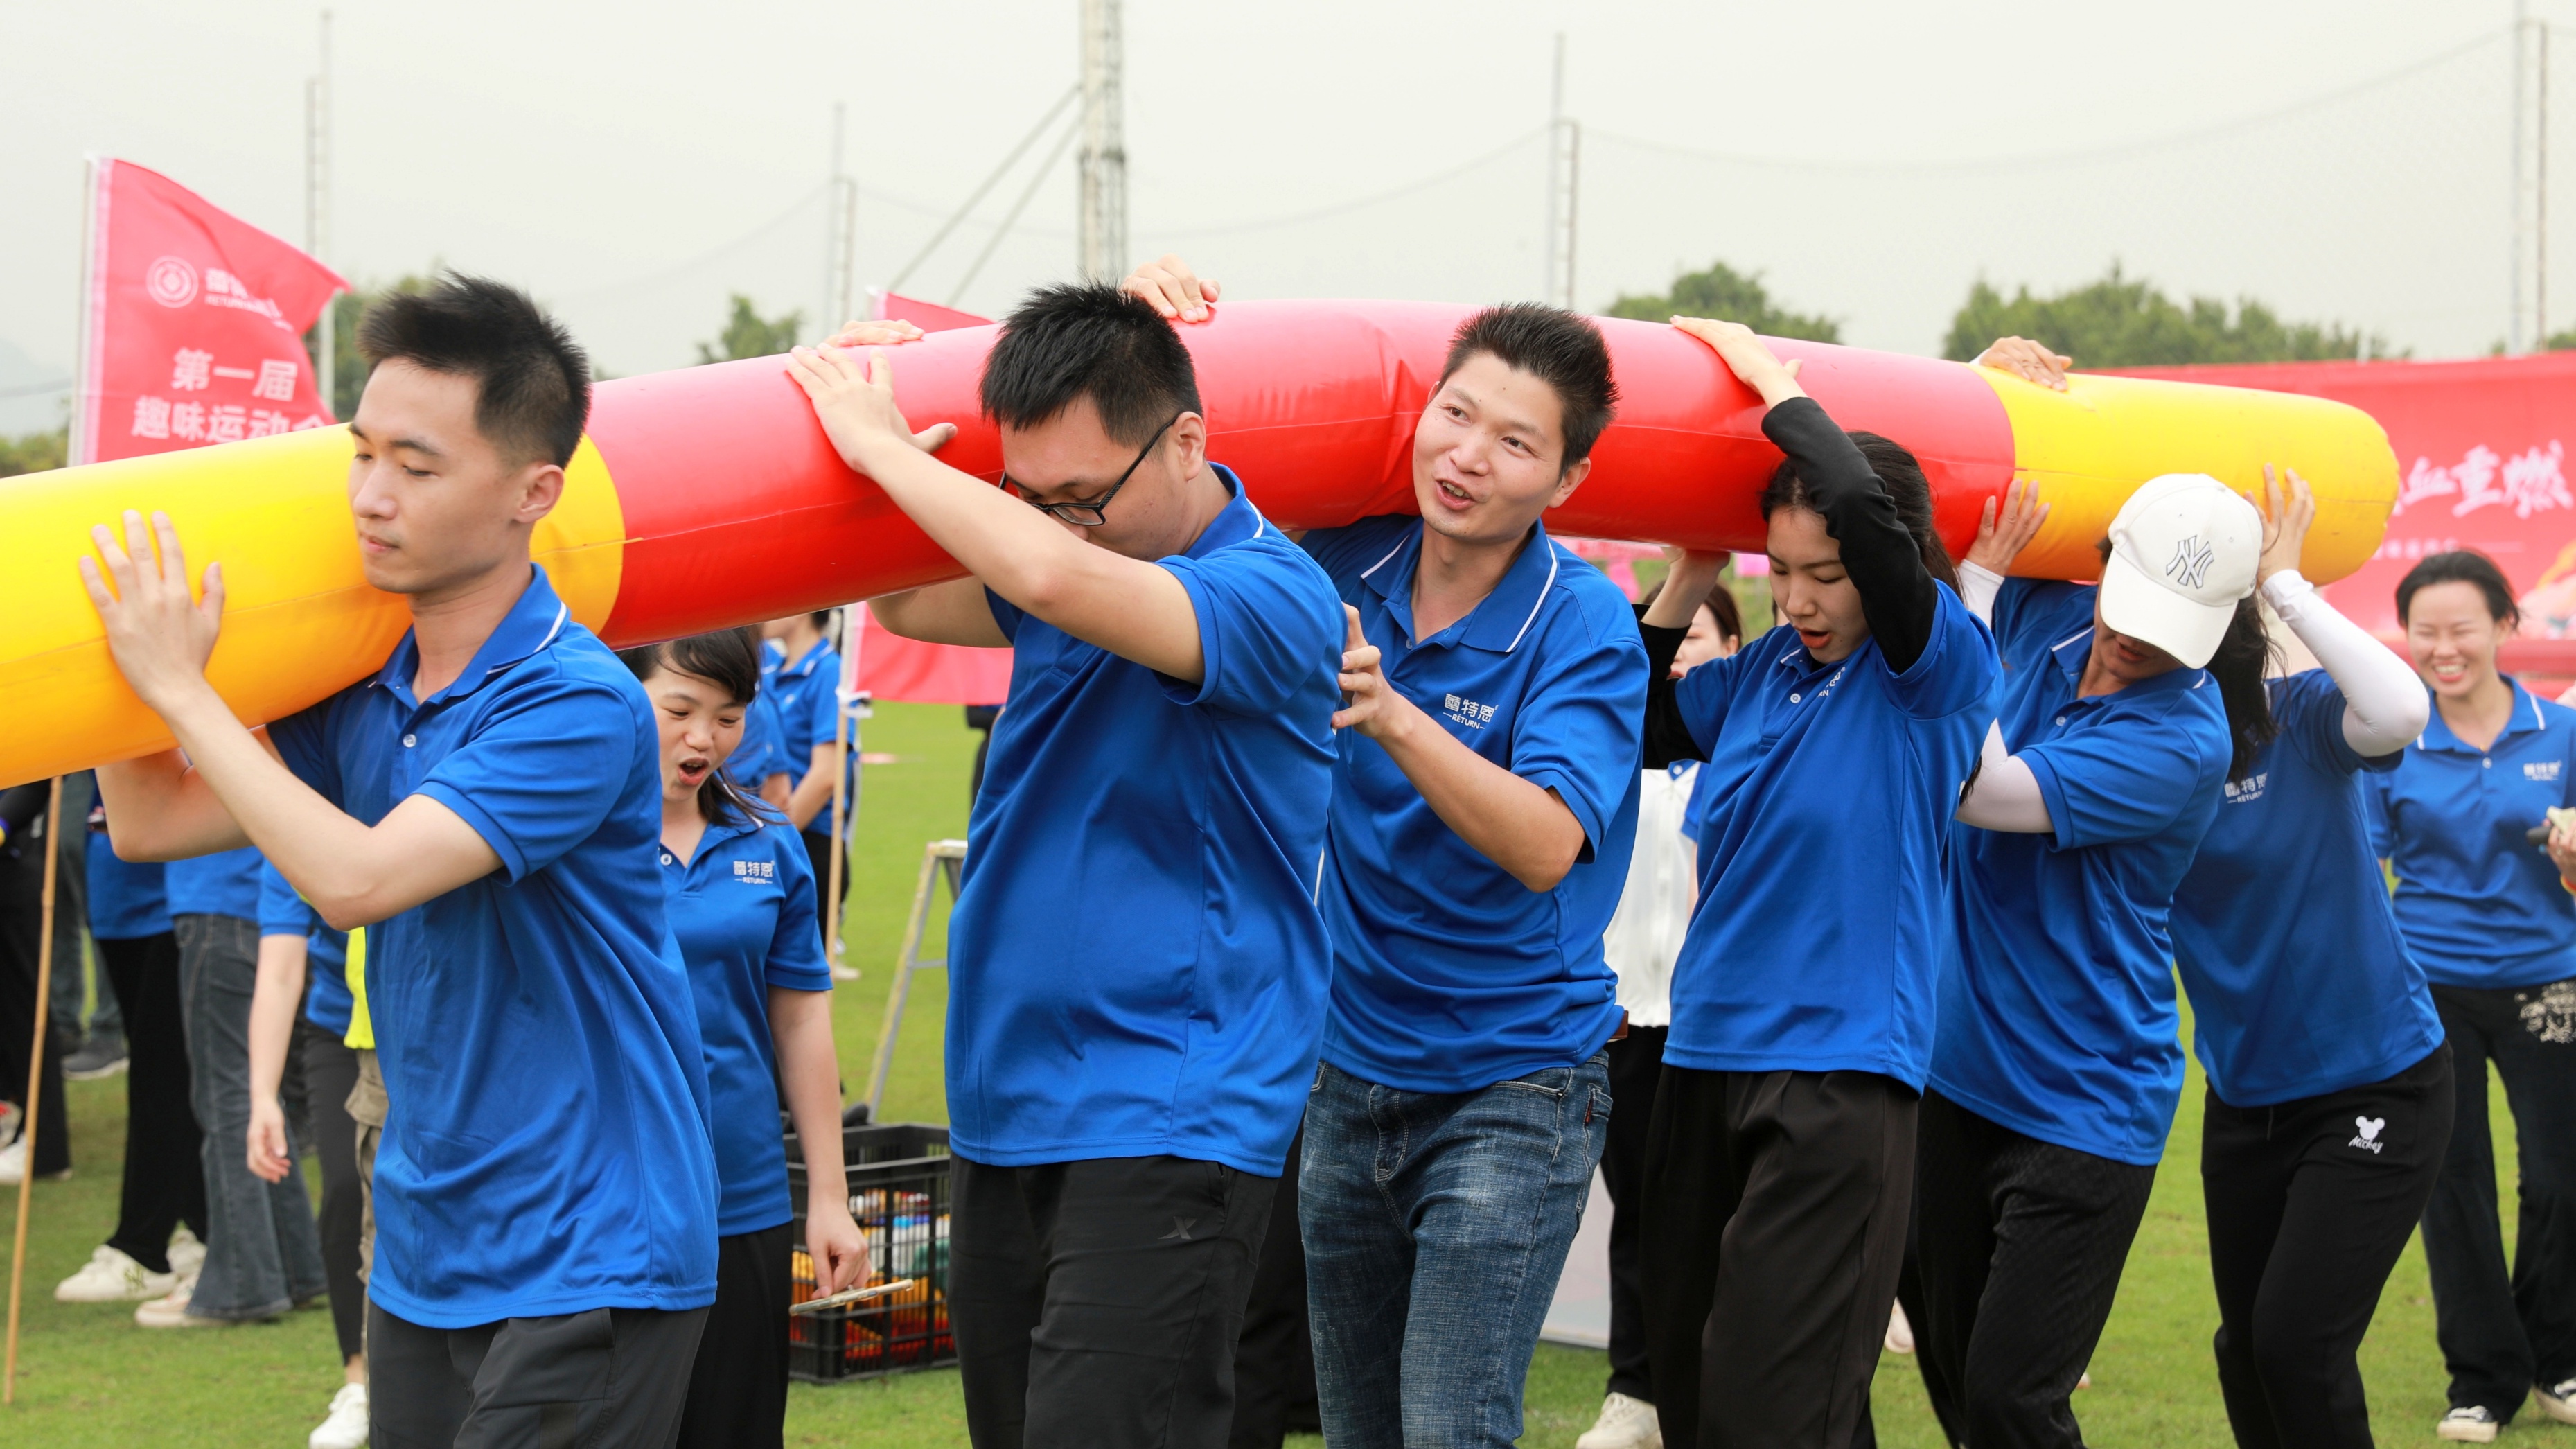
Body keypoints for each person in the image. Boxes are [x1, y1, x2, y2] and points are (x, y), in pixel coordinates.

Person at [81, 273, 718, 1443]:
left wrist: (178, 684)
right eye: (361, 454)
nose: (371, 497)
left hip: (589, 1245)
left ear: (535, 492)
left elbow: (357, 879)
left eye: (416, 468)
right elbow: (151, 827)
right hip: (424, 1241)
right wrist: (118, 662)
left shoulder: (572, 703)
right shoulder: (364, 692)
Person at [786, 279, 1343, 1448]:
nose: (1052, 522)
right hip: (1008, 1100)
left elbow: (1050, 575)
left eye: (1080, 498)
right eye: (1027, 497)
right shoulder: (1068, 550)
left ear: (1186, 441)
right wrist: (868, 397)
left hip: (1167, 1103)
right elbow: (897, 593)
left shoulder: (1274, 592)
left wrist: (889, 455)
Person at [1125, 254, 1648, 1449]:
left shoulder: (1581, 622)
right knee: (1359, 1429)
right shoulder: (1340, 556)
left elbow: (1545, 843)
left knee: (1448, 1429)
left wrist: (1393, 713)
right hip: (1347, 1072)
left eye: (1514, 443)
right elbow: (1175, 505)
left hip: (1514, 1085)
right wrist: (1150, 332)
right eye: (1453, 414)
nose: (1465, 455)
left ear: (1567, 476)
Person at [1621, 318, 1998, 1449]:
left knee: (1770, 1406)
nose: (1798, 600)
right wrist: (1689, 571)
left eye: (1826, 576)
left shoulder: (1930, 673)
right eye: (1777, 571)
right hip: (1701, 1060)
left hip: (1836, 1075)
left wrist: (1778, 384)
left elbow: (1874, 530)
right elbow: (1632, 723)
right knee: (1690, 1394)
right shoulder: (1759, 677)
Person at [1928, 470, 2268, 1449]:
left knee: (2010, 1398)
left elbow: (1977, 788)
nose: (2137, 638)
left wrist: (1978, 596)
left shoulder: (2181, 735)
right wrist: (1988, 386)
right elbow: (1939, 506)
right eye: (2132, 602)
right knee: (1956, 1382)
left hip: (2082, 1099)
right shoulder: (2054, 609)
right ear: (2105, 560)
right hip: (1956, 1072)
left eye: (2173, 622)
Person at [619, 627, 868, 1449]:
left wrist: (827, 1196)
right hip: (600, 1198)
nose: (704, 739)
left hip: (741, 1194)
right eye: (679, 709)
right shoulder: (568, 839)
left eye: (727, 717)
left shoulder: (770, 841)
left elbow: (800, 1020)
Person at [2368, 548, 2576, 1443]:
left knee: (2560, 1180)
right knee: (2449, 1184)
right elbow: (2355, 860)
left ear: (2503, 625)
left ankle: (2556, 1356)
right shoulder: (2391, 739)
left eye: (2461, 629)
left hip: (2549, 981)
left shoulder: (2560, 732)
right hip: (2430, 986)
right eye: (2424, 632)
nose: (2442, 648)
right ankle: (2481, 1378)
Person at [1579, 570, 1740, 1449]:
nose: (1683, 660)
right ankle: (1635, 1391)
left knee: (1705, 1221)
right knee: (1637, 1215)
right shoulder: (1624, 752)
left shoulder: (1731, 753)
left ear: (1731, 656)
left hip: (1705, 1022)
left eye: (1699, 645)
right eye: (1672, 646)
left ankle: (1700, 1387)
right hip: (1624, 1019)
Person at [129, 842, 327, 1328]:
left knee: (226, 1098)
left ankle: (242, 1283)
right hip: (247, 903)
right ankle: (294, 1267)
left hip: (225, 904)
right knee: (252, 1095)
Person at [52, 793, 209, 1299]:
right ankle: (202, 1223)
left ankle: (142, 1245)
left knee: (161, 1076)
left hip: (173, 899)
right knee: (155, 1068)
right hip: (115, 893)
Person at [246, 862, 373, 1449]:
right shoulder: (292, 834)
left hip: (435, 1024)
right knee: (347, 1191)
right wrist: (262, 1096)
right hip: (338, 1029)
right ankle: (360, 1382)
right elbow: (279, 971)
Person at [0, 784, 73, 1185]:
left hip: (12, 867)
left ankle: (45, 1148)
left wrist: (3, 823)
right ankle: (9, 1113)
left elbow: (34, 781)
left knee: (26, 1013)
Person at [764, 608, 851, 922]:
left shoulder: (829, 670)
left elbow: (826, 775)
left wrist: (773, 842)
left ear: (800, 610)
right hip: (777, 833)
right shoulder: (772, 671)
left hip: (808, 839)